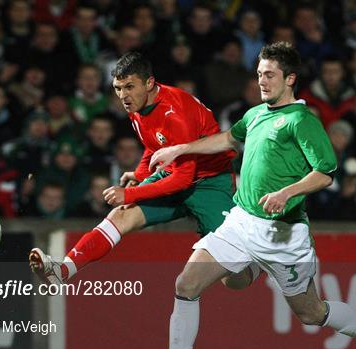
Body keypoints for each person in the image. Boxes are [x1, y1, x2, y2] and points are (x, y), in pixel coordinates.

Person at [136, 42, 356, 349]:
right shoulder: (256, 114)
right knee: (186, 284)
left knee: (311, 313)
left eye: (270, 74)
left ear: (290, 78)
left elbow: (325, 173)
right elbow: (229, 139)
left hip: (284, 235)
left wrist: (287, 193)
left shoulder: (302, 121)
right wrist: (181, 149)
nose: (262, 80)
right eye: (259, 73)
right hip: (242, 222)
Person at [29, 51, 252, 292]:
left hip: (209, 183)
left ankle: (258, 263)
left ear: (149, 83)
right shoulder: (138, 105)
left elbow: (184, 178)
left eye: (130, 87)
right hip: (174, 173)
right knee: (120, 215)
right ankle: (63, 271)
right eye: (118, 88)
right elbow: (153, 145)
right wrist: (141, 173)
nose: (123, 96)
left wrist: (131, 194)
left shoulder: (175, 113)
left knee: (233, 276)